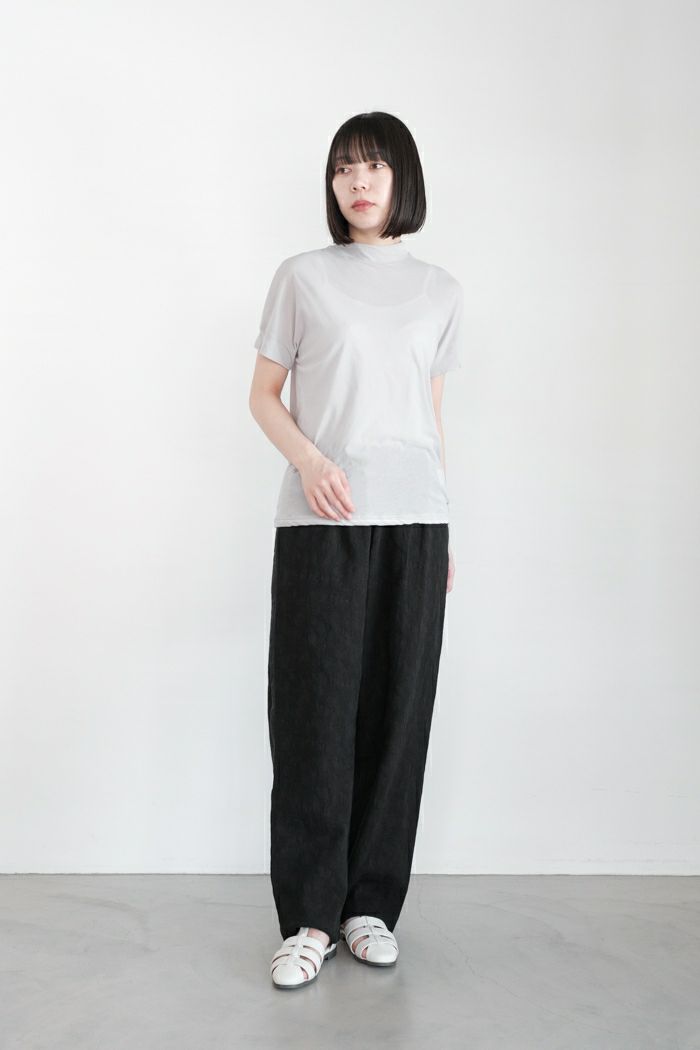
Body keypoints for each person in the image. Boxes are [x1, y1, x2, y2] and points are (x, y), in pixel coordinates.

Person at [249, 111, 465, 989]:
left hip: (416, 522)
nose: (358, 182)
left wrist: (446, 523)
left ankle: (369, 905)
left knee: (396, 717)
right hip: (320, 524)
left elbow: (429, 417)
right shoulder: (302, 277)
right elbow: (264, 396)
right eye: (344, 168)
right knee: (314, 716)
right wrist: (310, 463)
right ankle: (309, 916)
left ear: (402, 177)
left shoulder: (441, 290)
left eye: (374, 166)